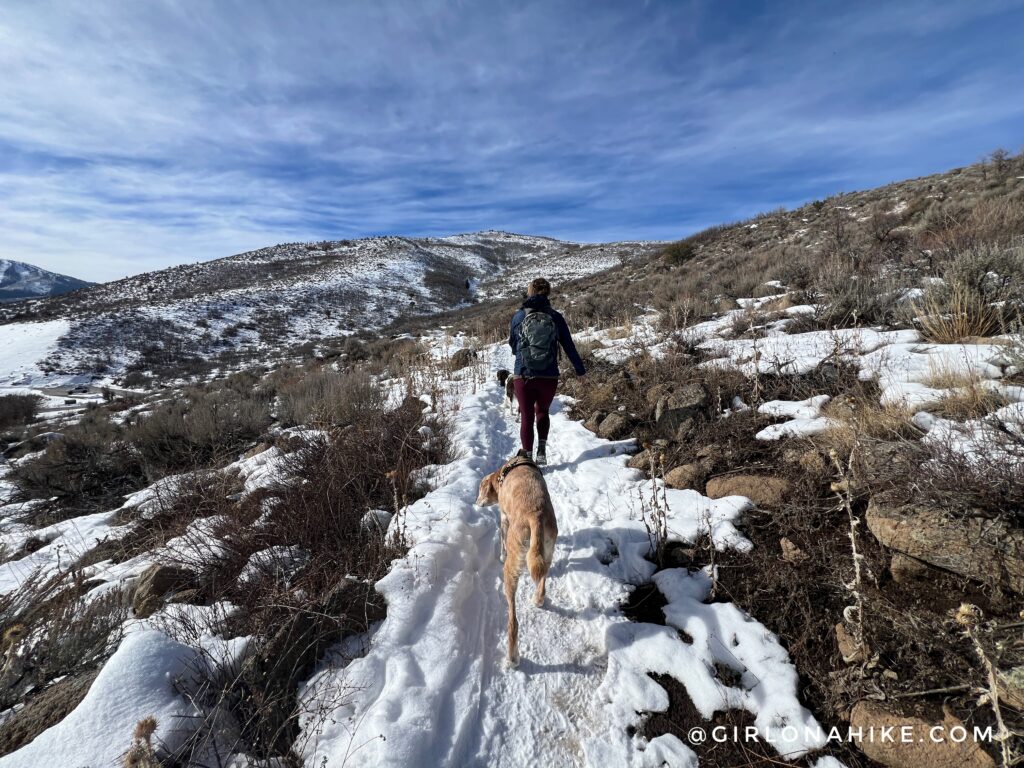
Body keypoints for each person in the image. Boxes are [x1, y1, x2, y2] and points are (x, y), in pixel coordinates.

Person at [508, 277, 586, 465]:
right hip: (549, 375)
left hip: (524, 374)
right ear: (548, 292)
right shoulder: (555, 317)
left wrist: (522, 354)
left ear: (530, 292)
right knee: (542, 411)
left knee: (527, 415)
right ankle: (541, 450)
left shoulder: (519, 316)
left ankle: (526, 456)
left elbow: (513, 344)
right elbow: (568, 345)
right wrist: (580, 370)